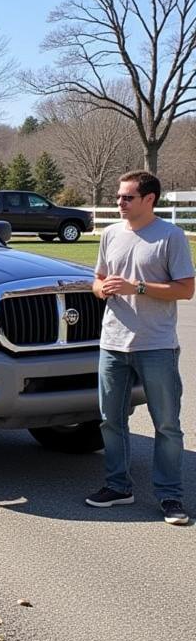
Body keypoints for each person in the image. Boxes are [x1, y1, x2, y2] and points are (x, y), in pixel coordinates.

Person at [87, 170, 194, 525]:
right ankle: (118, 486)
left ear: (149, 200)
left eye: (127, 197)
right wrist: (101, 289)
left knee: (166, 425)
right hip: (112, 343)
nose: (119, 202)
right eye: (118, 197)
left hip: (157, 346)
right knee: (110, 421)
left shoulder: (171, 237)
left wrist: (139, 288)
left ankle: (170, 497)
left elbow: (185, 289)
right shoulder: (111, 234)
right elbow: (98, 279)